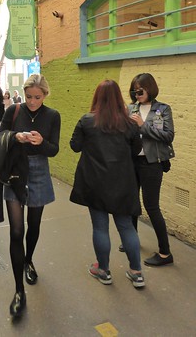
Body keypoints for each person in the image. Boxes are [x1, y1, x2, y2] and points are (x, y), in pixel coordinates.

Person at [70, 80, 145, 289]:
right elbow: (135, 150)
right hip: (122, 182)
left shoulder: (87, 121)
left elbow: (75, 146)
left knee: (100, 227)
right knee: (126, 226)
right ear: (119, 98)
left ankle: (103, 270)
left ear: (97, 97)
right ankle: (137, 272)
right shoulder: (130, 124)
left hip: (95, 182)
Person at [0, 74, 61, 317]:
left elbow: (54, 150)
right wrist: (15, 137)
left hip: (39, 170)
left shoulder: (52, 116)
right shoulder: (13, 111)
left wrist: (41, 142)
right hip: (15, 171)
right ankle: (18, 291)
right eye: (29, 97)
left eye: (38, 97)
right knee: (16, 231)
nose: (32, 101)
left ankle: (28, 260)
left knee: (33, 225)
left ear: (45, 95)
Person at [127, 73, 175, 266]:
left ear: (149, 88)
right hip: (132, 162)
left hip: (152, 163)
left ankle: (165, 253)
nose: (137, 94)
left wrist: (142, 125)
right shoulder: (131, 108)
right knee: (131, 203)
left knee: (151, 206)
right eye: (134, 90)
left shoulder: (162, 109)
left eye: (140, 90)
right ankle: (132, 240)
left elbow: (168, 136)